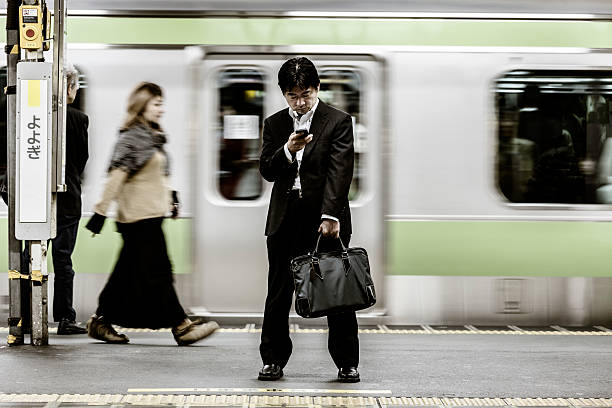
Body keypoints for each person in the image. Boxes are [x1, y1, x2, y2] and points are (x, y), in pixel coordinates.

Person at [85, 82, 218, 345]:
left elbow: (159, 176)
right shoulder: (131, 139)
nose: (162, 109)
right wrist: (100, 211)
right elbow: (116, 177)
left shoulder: (153, 137)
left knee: (127, 274)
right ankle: (182, 326)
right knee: (159, 272)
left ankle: (100, 321)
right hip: (137, 219)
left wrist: (172, 198)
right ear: (142, 105)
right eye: (157, 104)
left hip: (151, 216)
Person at [258, 57, 359, 382]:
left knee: (336, 292)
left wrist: (331, 214)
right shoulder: (275, 125)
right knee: (278, 292)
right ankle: (273, 359)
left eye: (306, 94)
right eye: (292, 96)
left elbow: (340, 171)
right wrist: (287, 150)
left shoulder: (337, 121)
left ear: (317, 89)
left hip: (325, 221)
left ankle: (346, 362)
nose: (300, 103)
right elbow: (267, 171)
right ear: (284, 94)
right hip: (285, 220)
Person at [53, 65, 89, 335]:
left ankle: (28, 314)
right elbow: (81, 159)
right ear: (69, 88)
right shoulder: (78, 119)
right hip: (68, 197)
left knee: (32, 255)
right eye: (75, 87)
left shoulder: (35, 116)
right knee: (63, 259)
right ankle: (65, 317)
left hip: (37, 198)